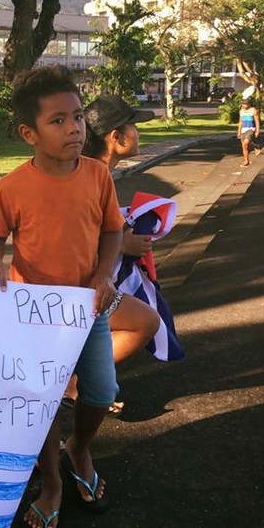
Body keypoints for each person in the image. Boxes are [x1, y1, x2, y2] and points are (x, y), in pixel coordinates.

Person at [0, 65, 123, 528]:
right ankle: (53, 482)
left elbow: (112, 231)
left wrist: (105, 274)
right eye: (59, 120)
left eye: (79, 117)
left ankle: (79, 447)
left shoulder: (99, 175)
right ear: (30, 133)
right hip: (33, 317)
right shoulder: (12, 186)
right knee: (41, 404)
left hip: (89, 310)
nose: (75, 128)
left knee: (101, 391)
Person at [61, 94, 161, 414]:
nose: (138, 133)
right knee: (145, 322)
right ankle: (75, 386)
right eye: (133, 127)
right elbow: (70, 236)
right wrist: (123, 245)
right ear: (115, 137)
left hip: (87, 282)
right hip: (76, 287)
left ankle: (83, 384)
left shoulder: (95, 172)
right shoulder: (89, 176)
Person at [237, 98, 262, 166]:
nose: (243, 105)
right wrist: (239, 131)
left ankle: (256, 147)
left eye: (245, 104)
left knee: (246, 142)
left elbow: (257, 121)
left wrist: (257, 131)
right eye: (243, 104)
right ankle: (246, 161)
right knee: (244, 146)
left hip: (251, 129)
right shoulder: (241, 111)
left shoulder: (253, 110)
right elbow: (241, 122)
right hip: (243, 129)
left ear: (249, 104)